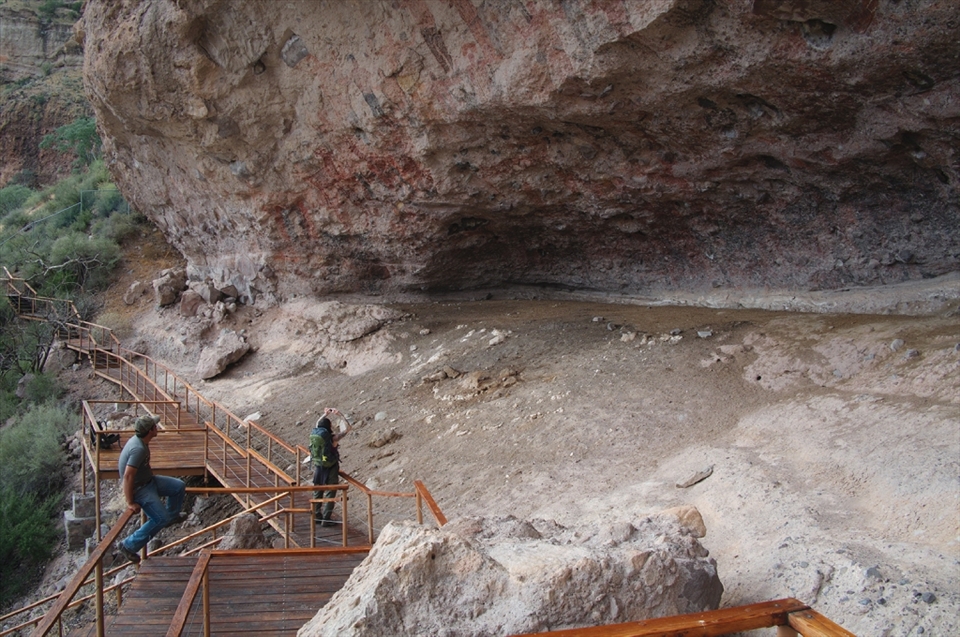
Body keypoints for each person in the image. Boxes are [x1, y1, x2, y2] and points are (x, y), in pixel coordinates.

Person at [116, 415, 186, 564]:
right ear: (150, 431)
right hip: (140, 488)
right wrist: (130, 502)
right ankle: (128, 545)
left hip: (149, 481)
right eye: (155, 426)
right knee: (160, 518)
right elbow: (128, 476)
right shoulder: (138, 449)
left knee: (178, 486)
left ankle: (172, 516)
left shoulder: (141, 442)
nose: (157, 427)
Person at [310, 407, 352, 525]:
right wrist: (340, 414)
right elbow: (348, 428)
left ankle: (316, 515)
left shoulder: (315, 434)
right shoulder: (333, 438)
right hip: (331, 468)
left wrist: (325, 414)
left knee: (317, 491)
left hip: (318, 466)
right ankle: (326, 518)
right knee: (330, 492)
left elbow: (318, 423)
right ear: (329, 426)